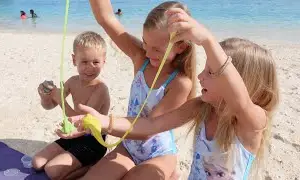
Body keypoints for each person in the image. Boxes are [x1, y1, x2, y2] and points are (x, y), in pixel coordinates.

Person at [60, 7, 279, 180]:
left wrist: (207, 40)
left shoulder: (252, 122)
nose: (200, 77)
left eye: (211, 72)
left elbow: (239, 100)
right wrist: (103, 121)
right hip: (132, 147)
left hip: (157, 156)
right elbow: (150, 125)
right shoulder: (201, 106)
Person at [58, 0, 196, 179]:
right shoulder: (141, 57)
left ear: (180, 46)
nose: (148, 52)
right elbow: (106, 17)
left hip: (157, 154)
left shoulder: (180, 83)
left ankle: (171, 174)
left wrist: (102, 123)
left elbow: (147, 130)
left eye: (157, 49)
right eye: (145, 43)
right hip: (129, 147)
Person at [32, 31, 111, 180]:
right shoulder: (73, 81)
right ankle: (73, 160)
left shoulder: (100, 89)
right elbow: (49, 106)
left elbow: (82, 121)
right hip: (74, 136)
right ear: (74, 60)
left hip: (93, 143)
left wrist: (60, 99)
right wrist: (44, 96)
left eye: (96, 62)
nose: (90, 67)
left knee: (51, 171)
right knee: (37, 162)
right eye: (84, 62)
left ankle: (91, 166)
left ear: (104, 61)